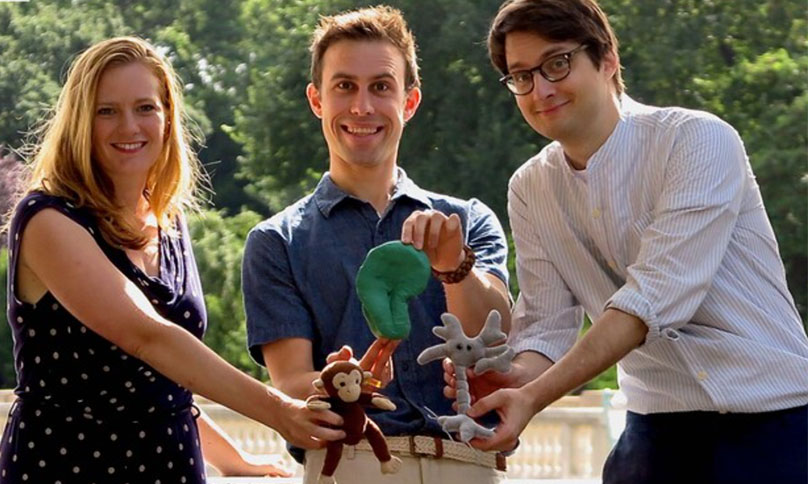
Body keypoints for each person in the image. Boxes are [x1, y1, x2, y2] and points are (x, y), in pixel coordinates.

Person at [461, 1, 808, 483]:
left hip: (777, 421)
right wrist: (516, 378)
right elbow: (547, 323)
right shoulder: (530, 187)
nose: (540, 89)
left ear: (607, 60)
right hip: (654, 430)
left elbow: (652, 299)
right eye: (522, 75)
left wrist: (535, 396)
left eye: (557, 64)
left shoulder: (698, 140)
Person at [0, 36, 345, 484]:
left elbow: (159, 381)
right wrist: (278, 411)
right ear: (80, 121)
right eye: (107, 111)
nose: (129, 127)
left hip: (169, 467)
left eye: (145, 108)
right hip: (67, 468)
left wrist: (233, 459)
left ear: (167, 117)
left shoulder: (168, 220)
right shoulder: (48, 219)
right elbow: (148, 338)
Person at [242, 6, 512, 484]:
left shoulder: (468, 220)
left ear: (409, 102)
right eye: (344, 86)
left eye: (381, 87)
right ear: (316, 100)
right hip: (351, 463)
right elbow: (290, 385)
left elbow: (494, 334)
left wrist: (454, 267)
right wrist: (343, 384)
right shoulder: (276, 243)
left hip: (469, 464)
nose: (362, 107)